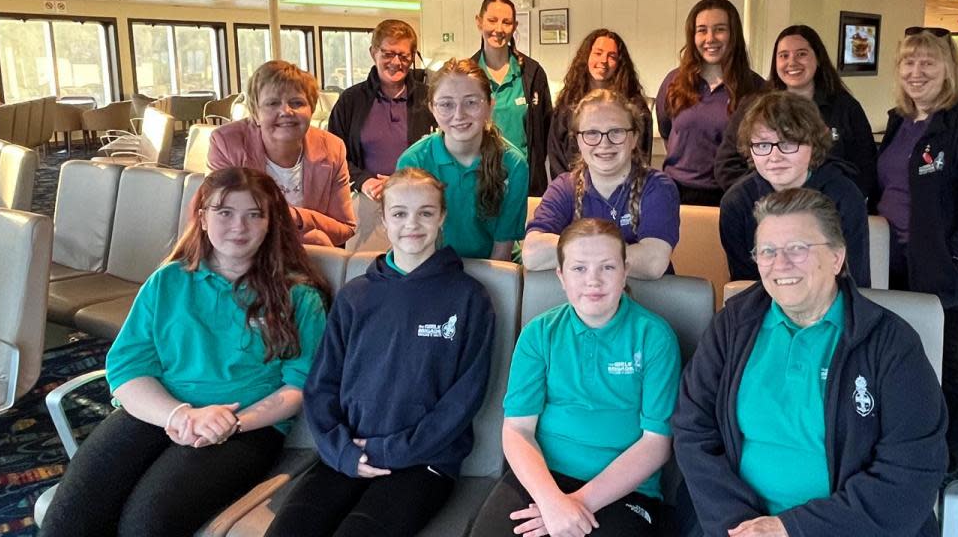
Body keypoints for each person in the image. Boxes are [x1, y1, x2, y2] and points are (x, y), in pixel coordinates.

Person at [41, 168, 329, 537]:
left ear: (271, 224)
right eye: (224, 212)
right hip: (160, 410)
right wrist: (179, 415)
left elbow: (297, 388)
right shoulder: (169, 280)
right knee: (68, 519)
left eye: (254, 214)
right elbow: (129, 369)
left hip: (243, 427)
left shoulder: (299, 297)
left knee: (147, 524)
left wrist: (229, 423)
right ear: (203, 219)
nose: (238, 226)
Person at [673, 188, 947, 537]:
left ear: (837, 257)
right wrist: (740, 526)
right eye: (768, 251)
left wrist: (790, 528)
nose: (780, 264)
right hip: (734, 525)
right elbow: (692, 429)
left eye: (798, 249)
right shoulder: (733, 325)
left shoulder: (890, 344)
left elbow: (911, 472)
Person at [265, 168, 495, 537]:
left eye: (426, 212)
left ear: (442, 217)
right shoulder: (356, 295)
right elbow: (322, 385)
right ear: (384, 219)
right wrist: (341, 450)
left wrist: (394, 450)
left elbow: (464, 398)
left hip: (425, 461)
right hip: (350, 451)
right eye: (400, 213)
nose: (412, 224)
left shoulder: (468, 297)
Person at [468, 218, 681, 537]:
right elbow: (517, 430)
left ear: (625, 272)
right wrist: (551, 500)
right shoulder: (539, 334)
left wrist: (576, 504)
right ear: (561, 276)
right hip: (542, 479)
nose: (593, 281)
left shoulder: (655, 338)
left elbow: (656, 443)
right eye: (579, 269)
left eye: (607, 268)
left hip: (625, 490)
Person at [872, 26, 958, 468]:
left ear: (950, 68)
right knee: (891, 355)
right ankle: (897, 440)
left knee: (940, 360)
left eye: (928, 62)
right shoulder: (899, 120)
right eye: (908, 62)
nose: (917, 72)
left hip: (938, 266)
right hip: (885, 259)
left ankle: (946, 454)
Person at [719, 91, 870, 286]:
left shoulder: (844, 195)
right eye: (763, 145)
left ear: (813, 145)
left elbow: (855, 281)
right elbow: (744, 284)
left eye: (788, 144)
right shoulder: (736, 202)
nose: (774, 157)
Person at [525, 90, 679, 279]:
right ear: (578, 140)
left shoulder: (658, 187)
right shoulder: (564, 188)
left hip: (645, 302)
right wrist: (615, 251)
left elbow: (652, 263)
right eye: (591, 133)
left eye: (616, 132)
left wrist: (577, 252)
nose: (604, 143)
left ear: (635, 138)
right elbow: (533, 254)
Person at [715, 25, 878, 197]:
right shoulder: (753, 106)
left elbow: (865, 169)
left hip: (828, 212)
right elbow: (727, 165)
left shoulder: (845, 107)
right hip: (764, 209)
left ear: (819, 58)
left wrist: (827, 199)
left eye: (801, 54)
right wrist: (767, 195)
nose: (792, 62)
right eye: (784, 56)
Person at [209, 60, 356, 247]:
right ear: (255, 114)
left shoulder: (333, 148)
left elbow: (345, 228)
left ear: (311, 109)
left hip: (309, 259)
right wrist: (302, 234)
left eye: (297, 102)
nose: (286, 111)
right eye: (272, 103)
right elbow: (222, 223)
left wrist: (294, 216)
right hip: (246, 257)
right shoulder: (226, 143)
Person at [397, 58, 528, 261]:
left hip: (495, 267)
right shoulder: (413, 162)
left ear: (490, 105)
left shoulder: (513, 164)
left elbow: (501, 252)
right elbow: (410, 244)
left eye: (471, 103)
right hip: (434, 267)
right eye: (446, 104)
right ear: (432, 108)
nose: (459, 115)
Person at [656, 0, 763, 206]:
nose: (710, 38)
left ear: (733, 35)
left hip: (730, 195)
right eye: (702, 30)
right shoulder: (674, 82)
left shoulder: (756, 88)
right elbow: (666, 131)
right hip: (675, 192)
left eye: (720, 29)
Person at [327, 19, 435, 201]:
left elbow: (442, 150)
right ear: (373, 53)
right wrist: (363, 181)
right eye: (388, 54)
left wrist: (405, 182)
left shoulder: (430, 99)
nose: (396, 62)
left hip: (419, 198)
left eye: (404, 56)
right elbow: (333, 155)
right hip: (366, 200)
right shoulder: (350, 100)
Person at [470, 0, 553, 196]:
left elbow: (546, 129)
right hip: (478, 180)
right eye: (492, 20)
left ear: (514, 26)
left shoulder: (532, 73)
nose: (499, 29)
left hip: (525, 182)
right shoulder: (467, 75)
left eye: (506, 22)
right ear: (479, 22)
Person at [548, 29, 652, 178]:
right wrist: (569, 190)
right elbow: (556, 157)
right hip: (574, 192)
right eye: (598, 53)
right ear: (586, 57)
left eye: (612, 56)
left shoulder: (635, 109)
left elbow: (642, 159)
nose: (603, 60)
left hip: (623, 193)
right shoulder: (566, 108)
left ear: (619, 64)